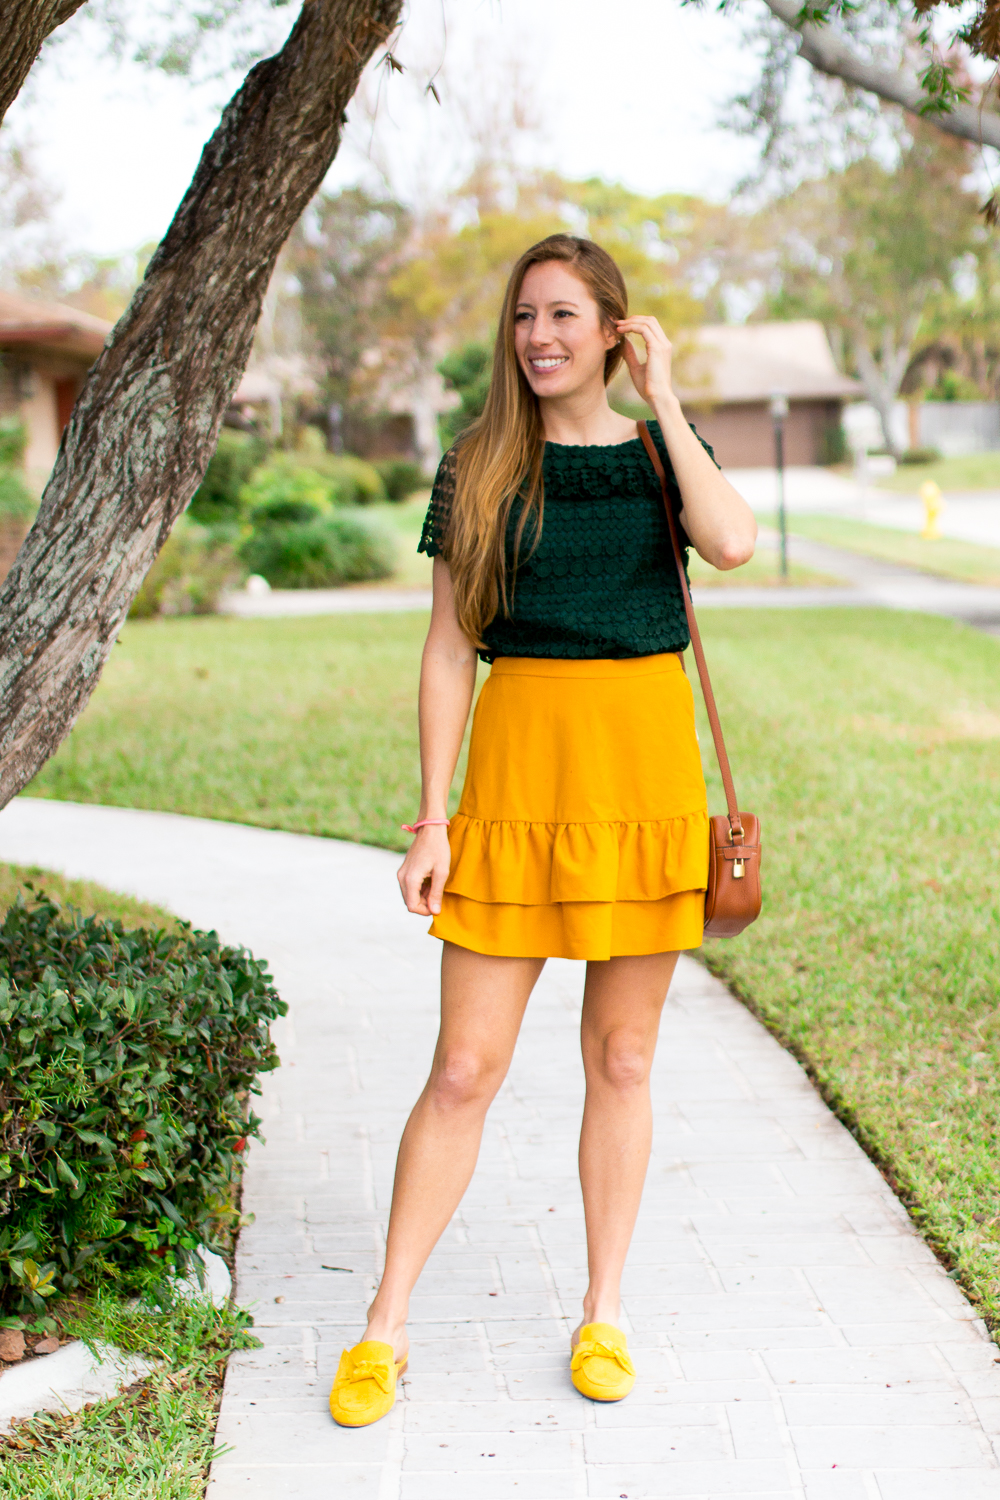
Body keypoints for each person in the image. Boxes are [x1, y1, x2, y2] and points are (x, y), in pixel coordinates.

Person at [329, 234, 757, 1428]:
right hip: (517, 780)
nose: (539, 337)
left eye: (565, 314)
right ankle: (384, 1325)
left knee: (622, 1059)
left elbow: (730, 543)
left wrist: (665, 400)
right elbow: (446, 648)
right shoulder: (478, 468)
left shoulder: (659, 455)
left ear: (612, 330)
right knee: (464, 1067)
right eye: (524, 316)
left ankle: (604, 1310)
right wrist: (432, 815)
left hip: (641, 777)